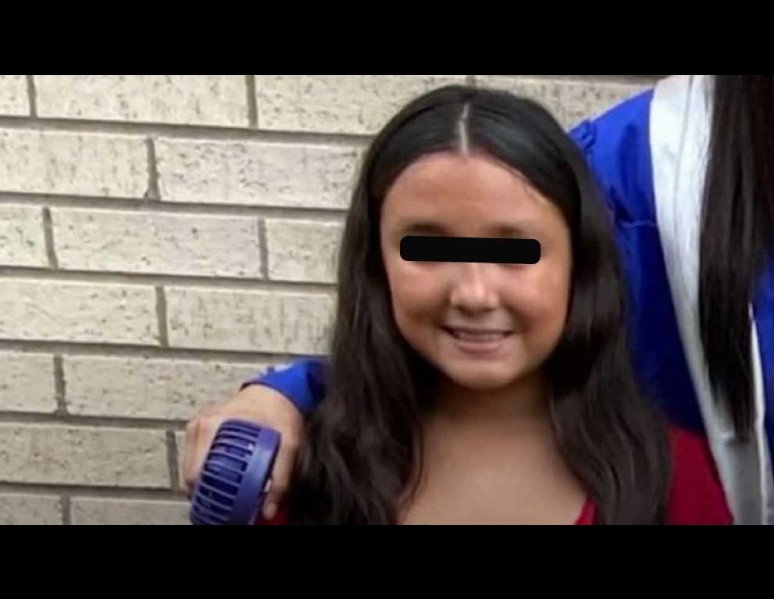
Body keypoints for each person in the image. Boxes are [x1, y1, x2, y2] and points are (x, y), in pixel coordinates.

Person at [183, 84, 732, 525]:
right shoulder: (297, 473)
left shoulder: (672, 479)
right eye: (428, 249)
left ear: (579, 263)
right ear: (375, 265)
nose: (473, 293)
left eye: (515, 251)